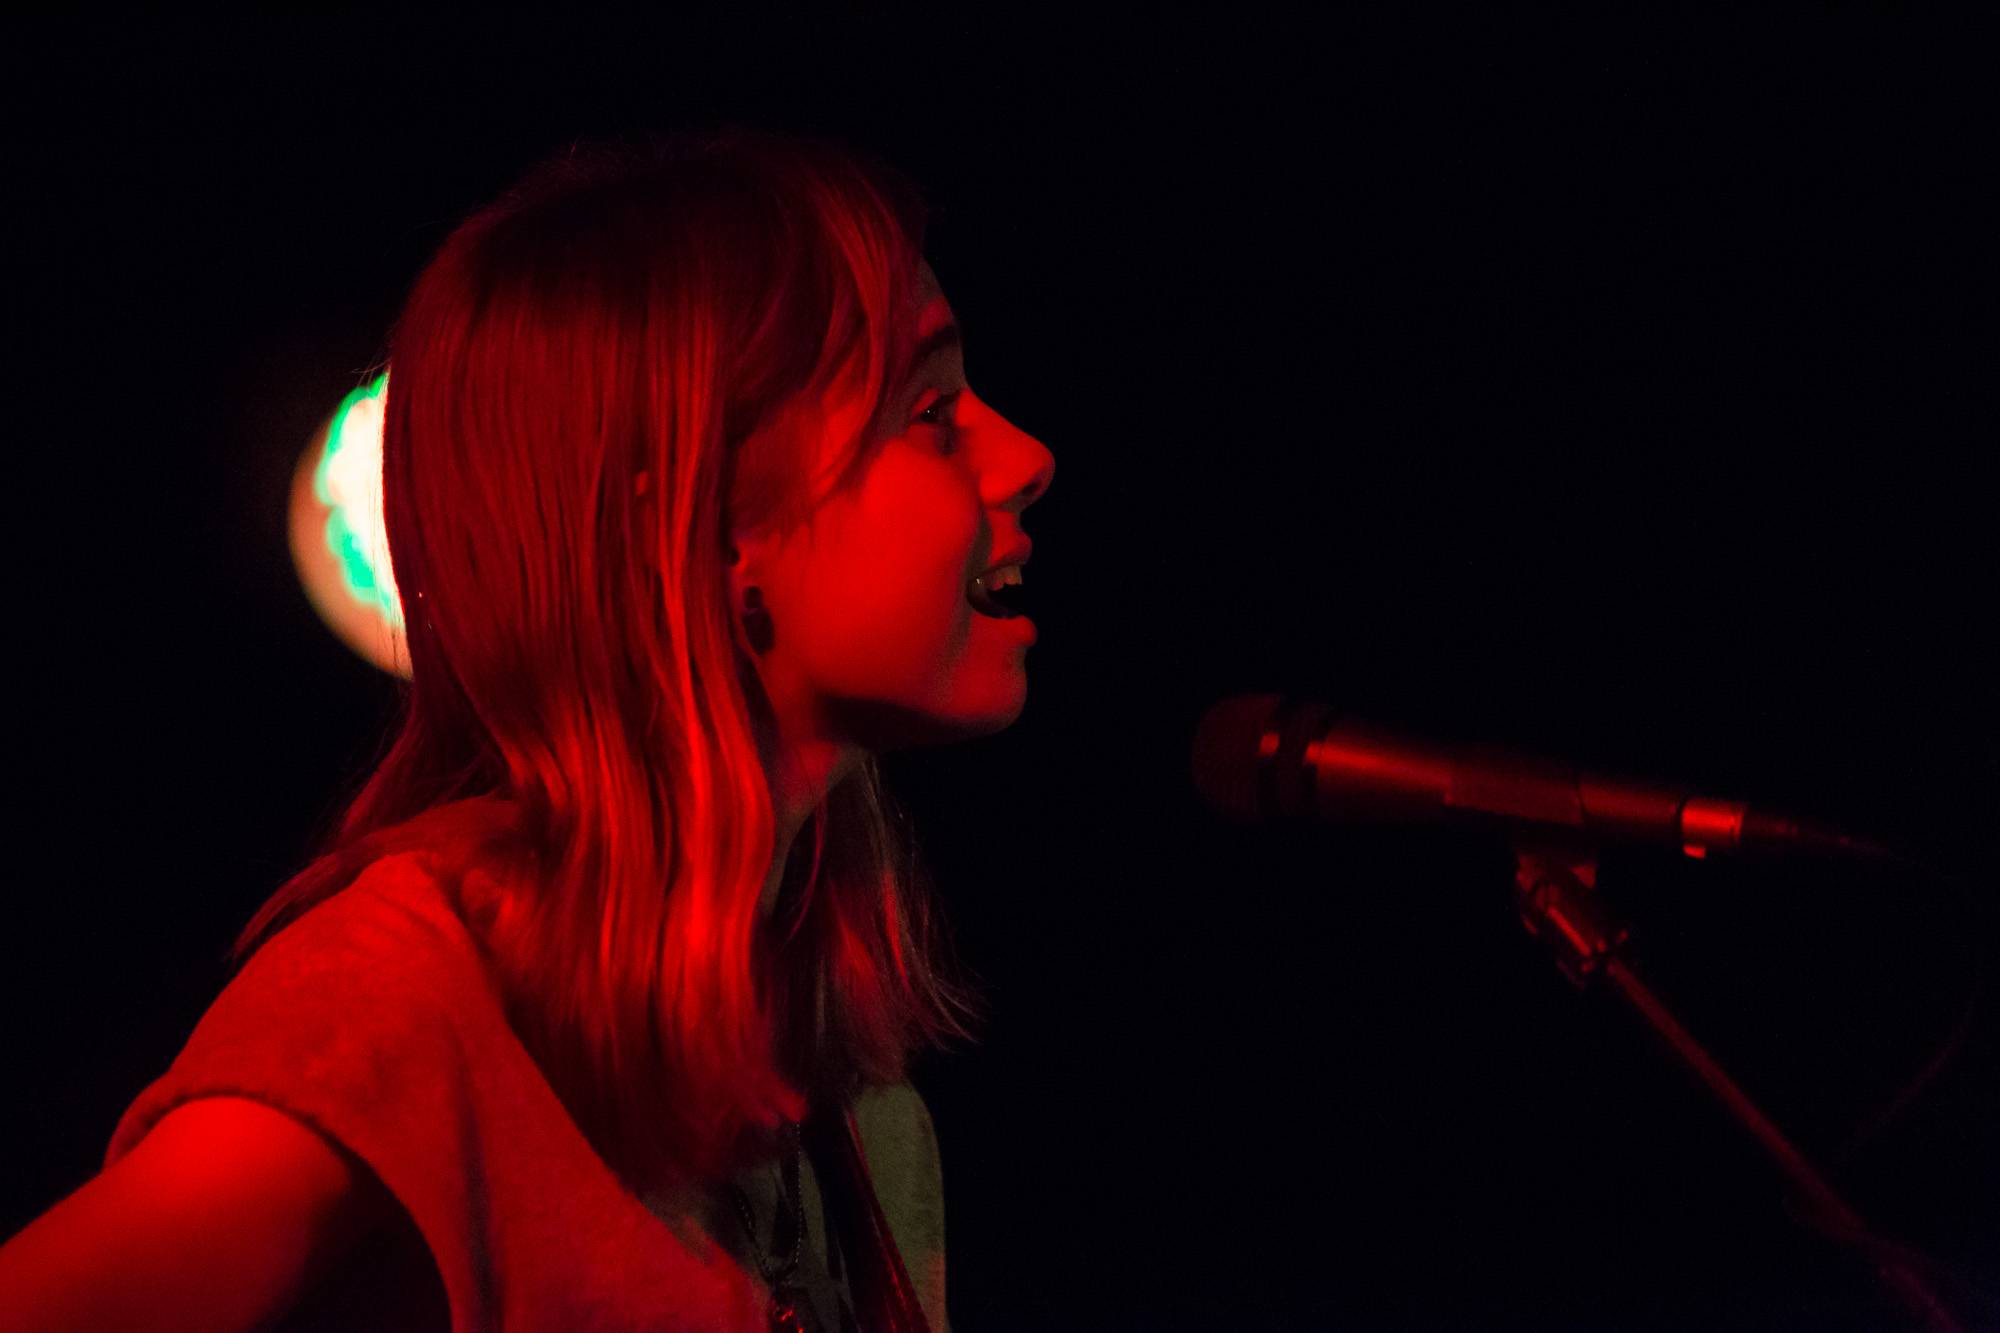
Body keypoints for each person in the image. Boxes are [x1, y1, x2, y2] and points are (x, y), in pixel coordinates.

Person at [0, 126, 1055, 1332]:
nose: (1026, 456)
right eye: (927, 409)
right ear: (711, 527)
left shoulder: (855, 1097)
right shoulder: (419, 986)